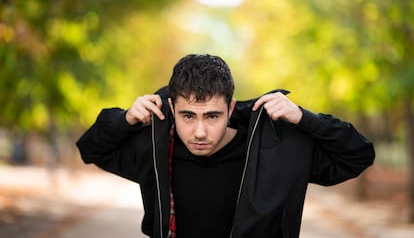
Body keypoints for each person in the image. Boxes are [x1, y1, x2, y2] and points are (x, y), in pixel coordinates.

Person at [76, 54, 375, 238]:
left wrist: (305, 119)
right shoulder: (156, 148)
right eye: (188, 116)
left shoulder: (275, 149)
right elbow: (92, 148)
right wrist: (125, 120)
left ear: (231, 109)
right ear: (171, 108)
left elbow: (358, 154)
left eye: (213, 116)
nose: (200, 131)